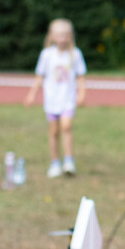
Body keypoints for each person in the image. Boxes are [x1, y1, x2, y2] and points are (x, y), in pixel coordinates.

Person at [24, 18, 87, 178]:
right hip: (52, 99)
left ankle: (69, 161)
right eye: (59, 36)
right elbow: (39, 77)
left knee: (66, 126)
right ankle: (55, 162)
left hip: (67, 99)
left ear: (70, 37)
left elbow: (80, 77)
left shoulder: (76, 54)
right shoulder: (46, 55)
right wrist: (31, 95)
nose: (62, 39)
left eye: (65, 36)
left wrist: (82, 94)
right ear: (52, 36)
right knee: (53, 131)